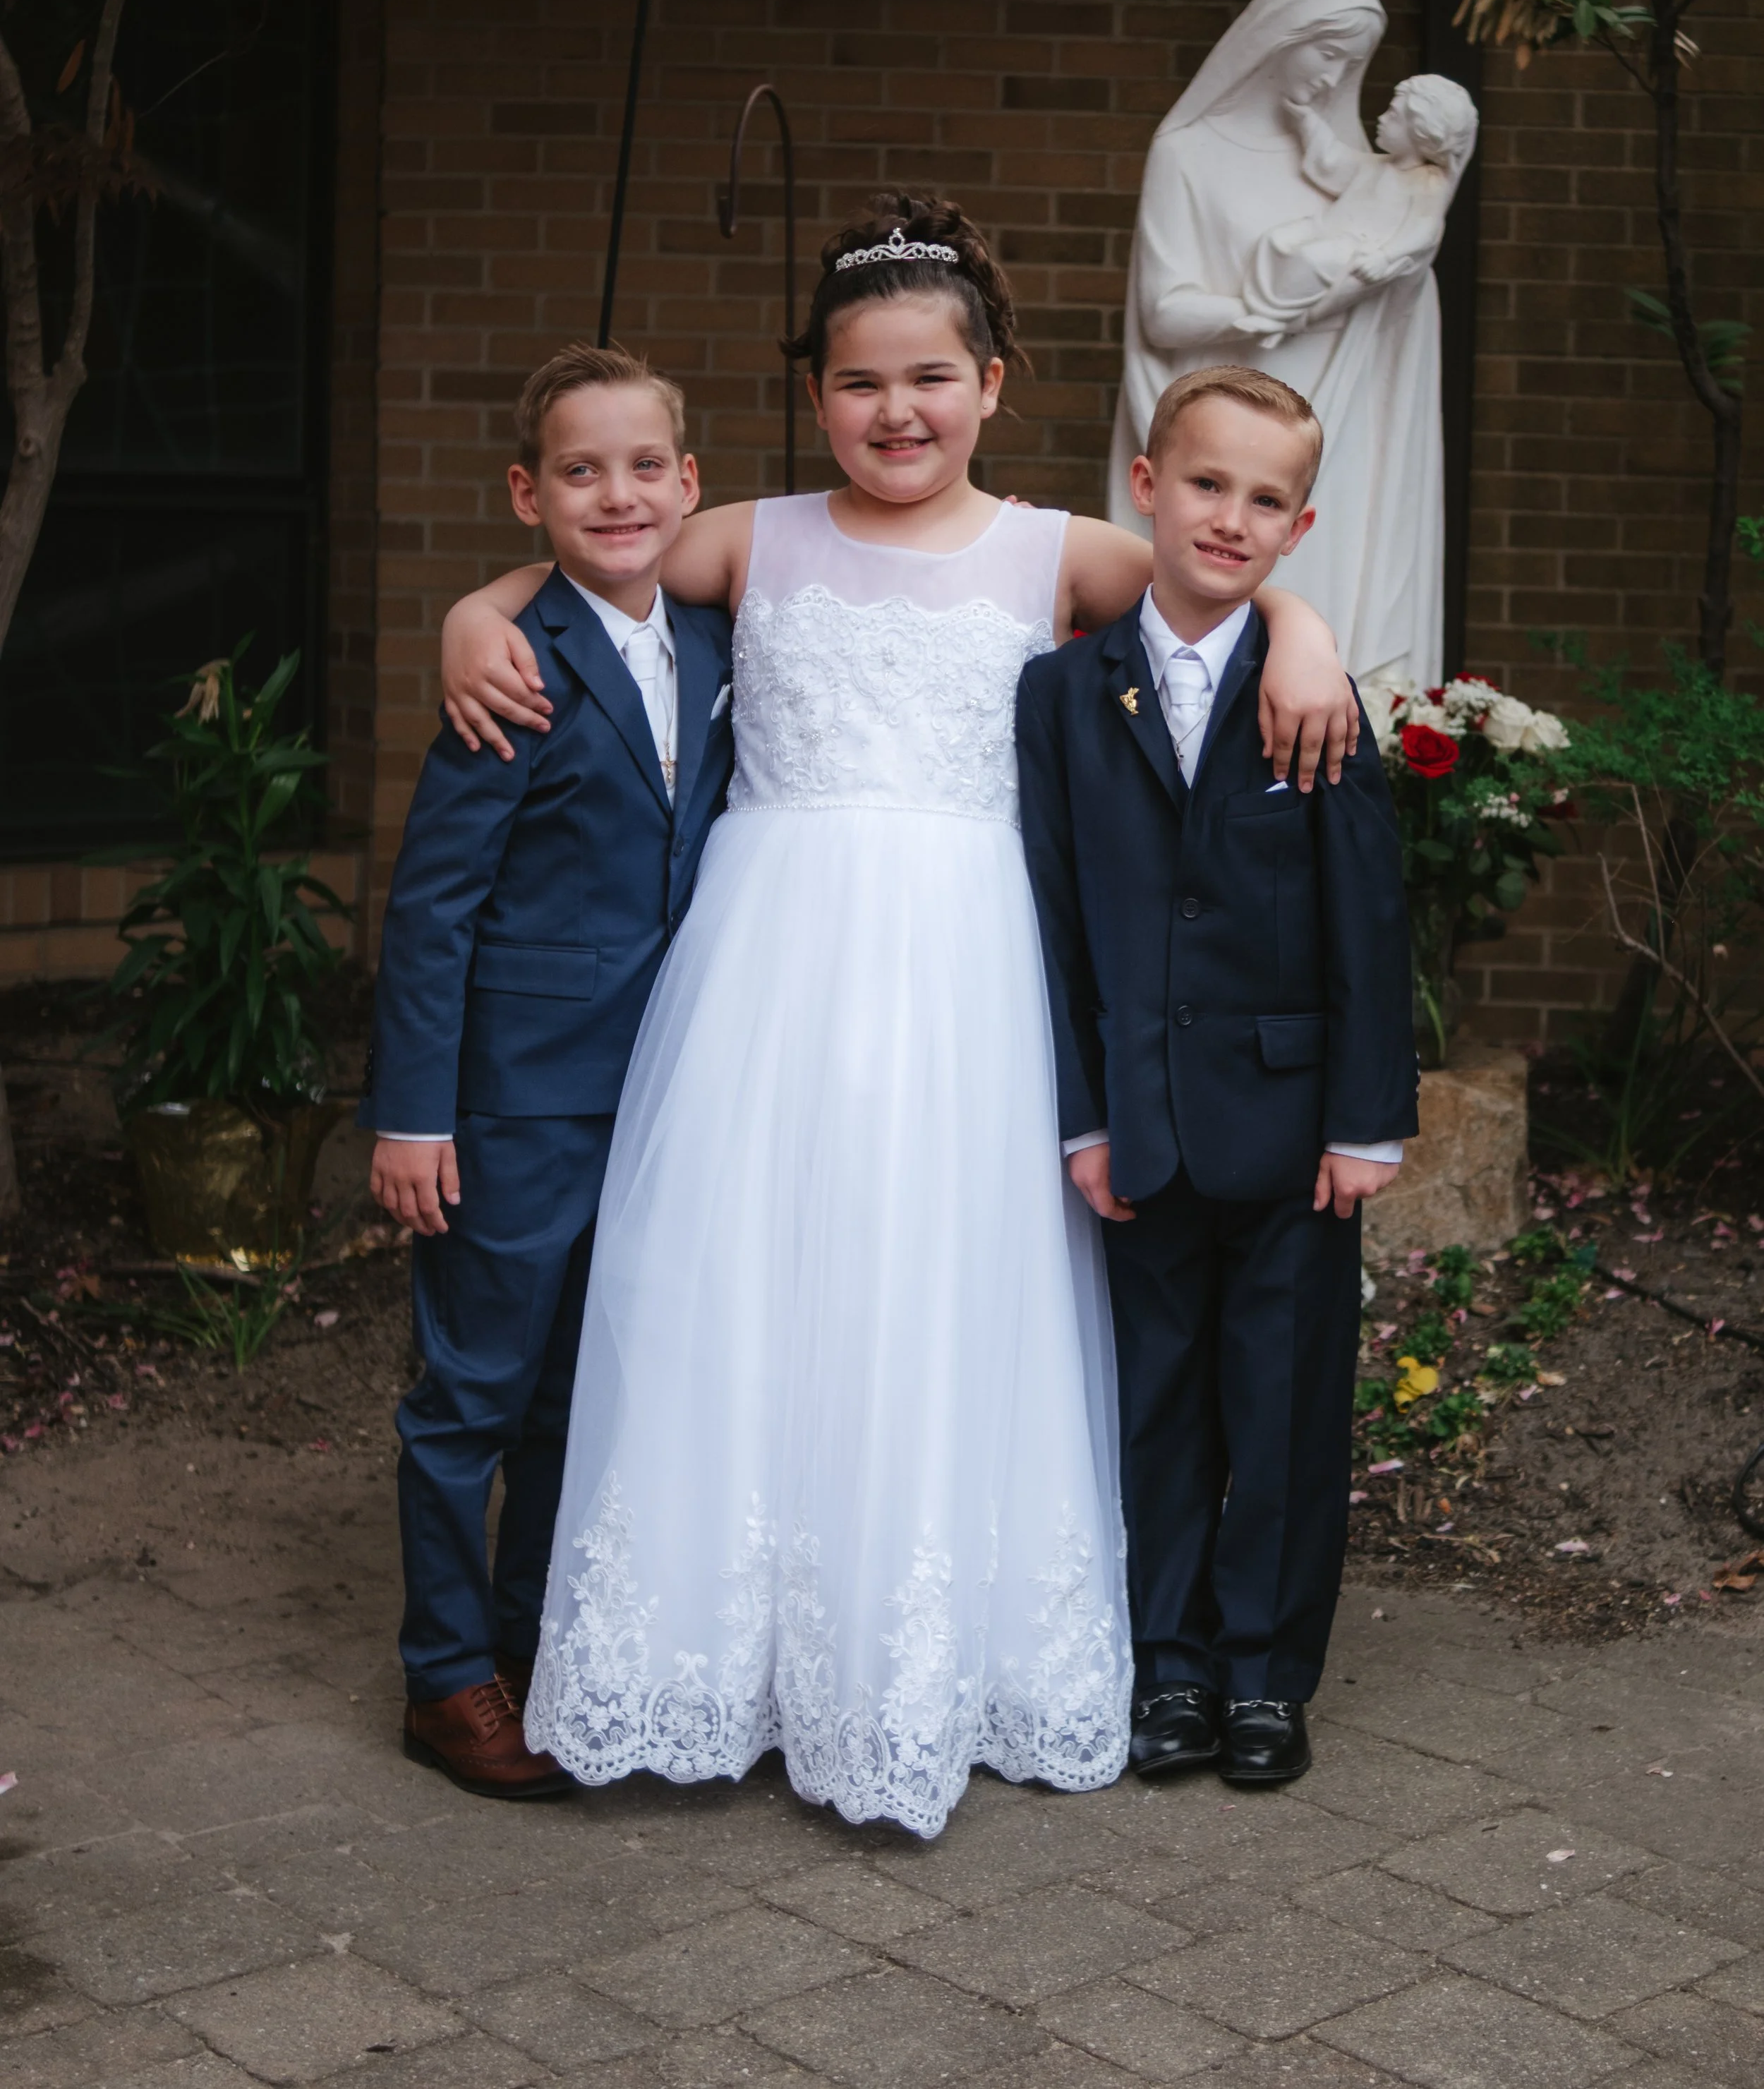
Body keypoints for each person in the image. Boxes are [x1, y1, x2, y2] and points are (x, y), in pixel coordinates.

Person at [435, 196, 1357, 1839]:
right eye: (860, 382)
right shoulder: (758, 537)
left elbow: (1218, 574)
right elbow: (596, 563)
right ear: (813, 396)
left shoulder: (1048, 548)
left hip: (963, 975)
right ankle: (732, 1654)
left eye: (933, 376)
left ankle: (915, 1647)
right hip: (765, 975)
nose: (898, 411)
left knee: (938, 1283)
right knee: (743, 1279)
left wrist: (1311, 628)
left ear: (993, 382)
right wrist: (469, 613)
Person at [1017, 364, 1416, 1792]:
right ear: (1143, 485)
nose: (1229, 518)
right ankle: (1167, 1666)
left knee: (1285, 1407)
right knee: (1153, 1406)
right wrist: (1079, 1112)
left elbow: (1367, 921)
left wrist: (1367, 1119)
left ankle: (1263, 1674)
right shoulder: (1062, 696)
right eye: (1205, 484)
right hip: (1137, 1126)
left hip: (1293, 1124)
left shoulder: (1311, 696)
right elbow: (1052, 922)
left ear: (1297, 528)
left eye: (1264, 500)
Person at [361, 345, 735, 1799]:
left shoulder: (713, 641)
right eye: (579, 471)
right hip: (516, 1098)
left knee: (579, 1393)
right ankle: (445, 1676)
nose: (617, 494)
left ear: (689, 483)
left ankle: (527, 1647)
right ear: (529, 494)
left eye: (646, 466)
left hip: (665, 1096)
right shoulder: (512, 661)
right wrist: (412, 1112)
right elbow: (433, 902)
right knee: (471, 1390)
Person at [1109, 0, 1458, 690]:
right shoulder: (1187, 156)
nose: (1336, 77)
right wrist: (1261, 312)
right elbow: (1162, 311)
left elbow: (1401, 279)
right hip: (1224, 428)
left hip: (1346, 424)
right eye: (1326, 52)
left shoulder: (1371, 174)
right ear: (1277, 38)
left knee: (1332, 614)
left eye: (1354, 62)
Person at [1243, 75, 1480, 331]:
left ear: (1421, 131)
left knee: (1311, 259)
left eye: (1393, 115)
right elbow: (1332, 162)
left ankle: (1285, 319)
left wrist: (1385, 256)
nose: (1381, 119)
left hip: (1357, 250)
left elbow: (1426, 231)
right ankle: (1265, 306)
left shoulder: (1428, 182)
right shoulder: (1375, 165)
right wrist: (1307, 122)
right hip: (1327, 228)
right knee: (1276, 241)